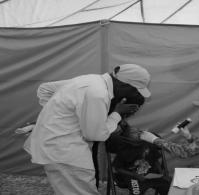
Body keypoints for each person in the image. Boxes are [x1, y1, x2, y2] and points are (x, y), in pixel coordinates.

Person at [23, 64, 151, 195]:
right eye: (135, 90)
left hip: (57, 145)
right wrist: (117, 114)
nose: (133, 95)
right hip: (65, 150)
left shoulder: (90, 79)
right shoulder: (98, 94)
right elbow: (96, 135)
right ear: (124, 84)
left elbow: (46, 89)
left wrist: (55, 116)